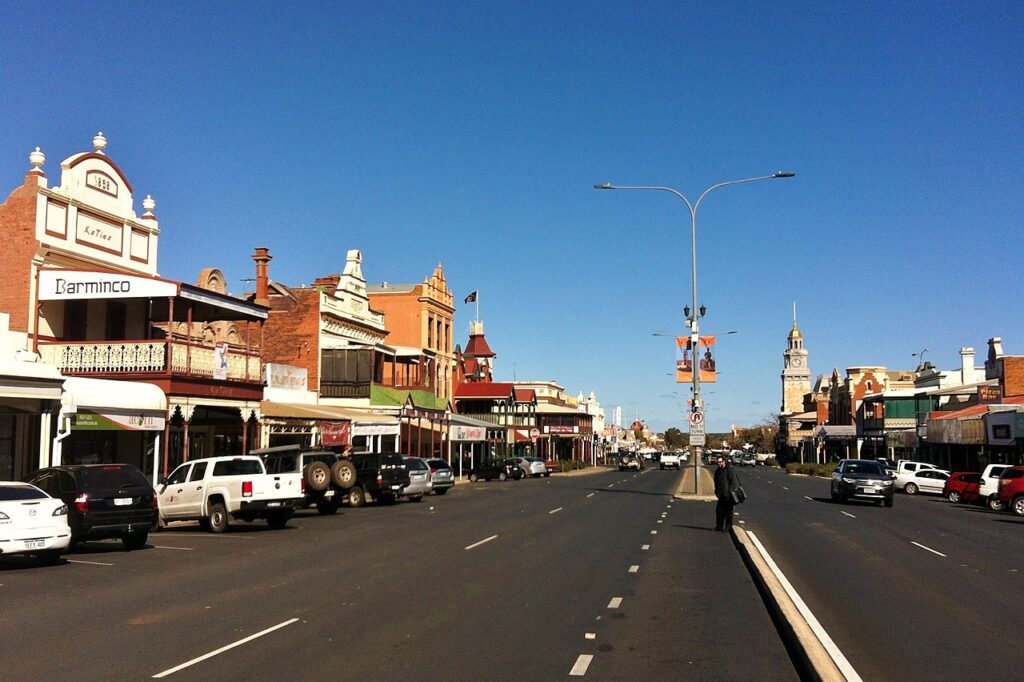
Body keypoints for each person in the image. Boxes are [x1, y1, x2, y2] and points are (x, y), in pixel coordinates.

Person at [713, 455, 739, 532]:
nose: (719, 464)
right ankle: (719, 526)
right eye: (717, 462)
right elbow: (716, 481)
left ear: (724, 461)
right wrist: (717, 491)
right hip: (721, 495)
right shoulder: (718, 471)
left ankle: (728, 527)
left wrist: (730, 491)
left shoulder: (729, 470)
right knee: (719, 511)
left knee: (728, 512)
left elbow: (733, 482)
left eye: (720, 462)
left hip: (729, 495)